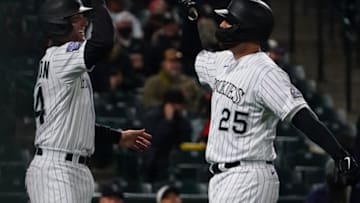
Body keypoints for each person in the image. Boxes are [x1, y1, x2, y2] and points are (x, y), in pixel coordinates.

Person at [179, 0, 360, 202]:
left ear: (246, 28)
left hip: (248, 176)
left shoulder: (266, 72)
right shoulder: (224, 61)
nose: (221, 25)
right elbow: (193, 58)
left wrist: (339, 154)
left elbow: (300, 115)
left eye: (229, 21)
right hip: (223, 179)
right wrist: (189, 20)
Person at [25, 0, 151, 202]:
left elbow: (77, 127)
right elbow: (102, 42)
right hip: (56, 168)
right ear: (59, 24)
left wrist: (118, 137)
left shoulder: (63, 62)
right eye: (77, 18)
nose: (84, 22)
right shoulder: (59, 57)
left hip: (73, 168)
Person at [142, 89, 192, 182]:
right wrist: (168, 121)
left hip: (175, 158)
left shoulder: (182, 121)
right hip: (155, 161)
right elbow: (155, 141)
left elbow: (185, 139)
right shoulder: (152, 117)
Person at [143, 48, 204, 114]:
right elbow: (148, 104)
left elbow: (200, 100)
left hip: (189, 117)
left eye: (177, 62)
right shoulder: (153, 83)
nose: (175, 65)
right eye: (171, 61)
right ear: (163, 63)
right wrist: (169, 106)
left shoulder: (189, 82)